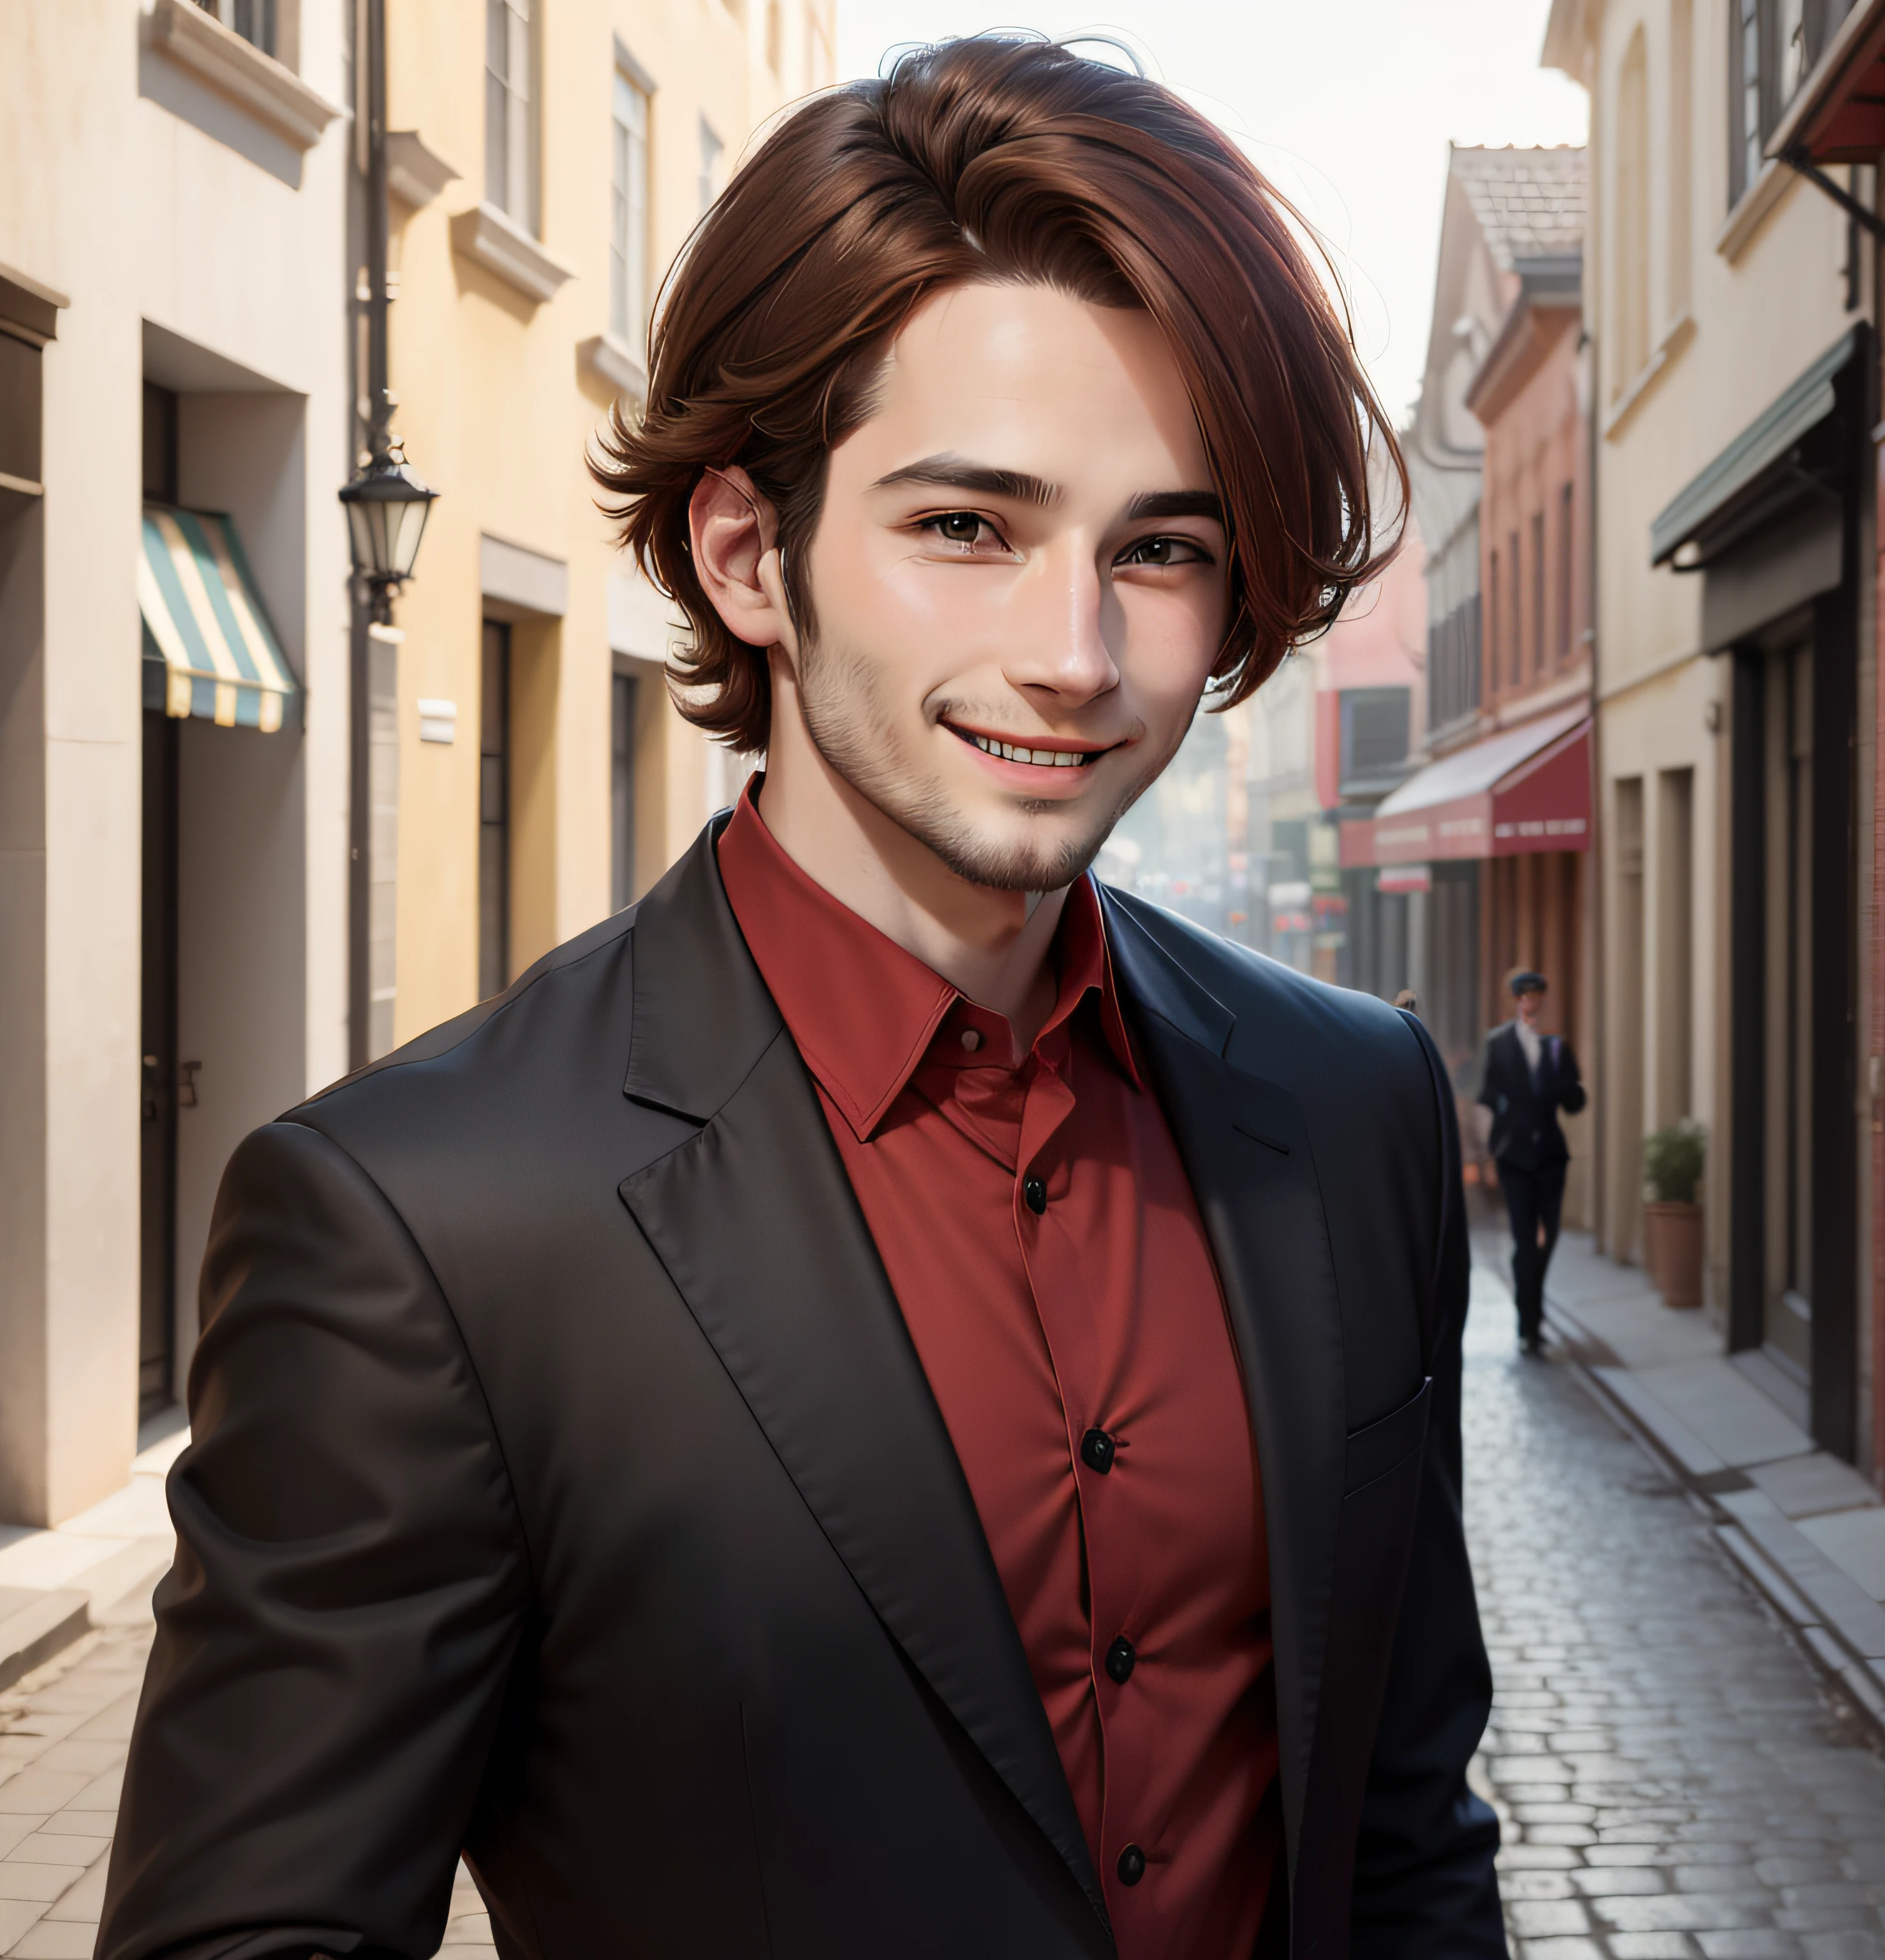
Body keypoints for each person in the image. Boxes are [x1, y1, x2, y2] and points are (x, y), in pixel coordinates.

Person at [100, 40, 1502, 1960]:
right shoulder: (422, 1225)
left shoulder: (1355, 1107)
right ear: (749, 552)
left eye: (1158, 548)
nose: (1075, 653)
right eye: (964, 527)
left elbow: (1409, 1825)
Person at [1478, 967, 1587, 1356]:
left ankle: (1532, 1304)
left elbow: (1574, 1104)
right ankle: (1529, 1320)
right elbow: (1488, 1099)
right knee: (1525, 1239)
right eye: (1525, 996)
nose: (1532, 1002)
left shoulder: (1556, 1046)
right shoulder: (1500, 1044)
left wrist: (1571, 1083)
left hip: (1551, 1157)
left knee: (1549, 1237)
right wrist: (1486, 1155)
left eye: (1537, 995)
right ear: (1515, 1000)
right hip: (1514, 1157)